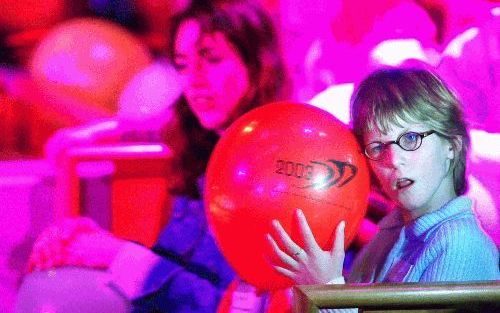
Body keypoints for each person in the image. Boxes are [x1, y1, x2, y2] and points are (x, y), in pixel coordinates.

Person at [27, 1, 289, 312]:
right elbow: (152, 125)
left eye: (212, 59)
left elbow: (238, 308)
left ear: (258, 64)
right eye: (182, 64)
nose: (194, 79)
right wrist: (87, 244)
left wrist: (118, 255)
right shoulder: (197, 139)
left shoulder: (283, 172)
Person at [267, 68, 499, 296]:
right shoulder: (393, 231)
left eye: (411, 138)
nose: (394, 161)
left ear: (452, 145)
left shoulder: (458, 245)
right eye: (378, 147)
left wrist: (326, 290)